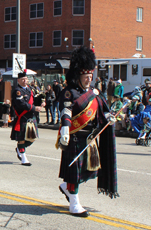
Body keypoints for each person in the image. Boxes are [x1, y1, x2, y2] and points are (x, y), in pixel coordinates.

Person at [57, 46, 118, 217]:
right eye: (86, 77)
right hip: (75, 138)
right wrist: (64, 129)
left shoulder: (94, 94)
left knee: (88, 171)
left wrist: (110, 118)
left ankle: (66, 188)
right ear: (78, 76)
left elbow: (103, 111)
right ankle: (74, 203)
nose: (89, 80)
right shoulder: (70, 93)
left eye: (91, 76)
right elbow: (66, 112)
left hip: (90, 140)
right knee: (75, 174)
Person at [10, 71, 44, 166]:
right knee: (22, 139)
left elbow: (34, 99)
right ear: (19, 80)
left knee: (32, 138)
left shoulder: (30, 89)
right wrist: (34, 108)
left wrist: (41, 101)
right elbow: (21, 104)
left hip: (31, 117)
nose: (25, 81)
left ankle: (20, 148)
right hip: (22, 117)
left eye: (26, 79)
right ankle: (24, 158)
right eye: (23, 80)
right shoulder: (17, 91)